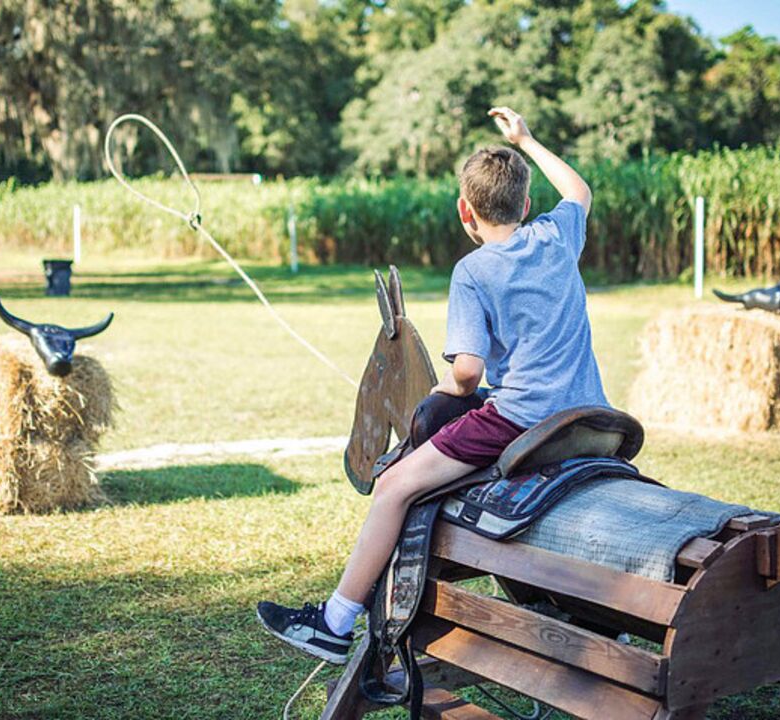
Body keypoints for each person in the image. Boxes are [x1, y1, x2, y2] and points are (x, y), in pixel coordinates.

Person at [256, 107, 610, 664]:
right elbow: (579, 189)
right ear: (525, 204)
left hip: (525, 415)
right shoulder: (555, 236)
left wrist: (444, 390)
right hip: (591, 412)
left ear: (464, 211)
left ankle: (334, 621)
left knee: (395, 484)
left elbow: (468, 374)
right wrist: (526, 139)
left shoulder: (472, 271)